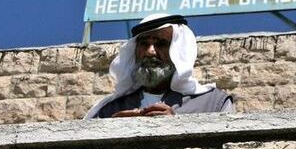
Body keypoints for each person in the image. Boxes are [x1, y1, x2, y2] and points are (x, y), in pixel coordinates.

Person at [86, 13, 233, 119]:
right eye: (144, 44)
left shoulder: (213, 104)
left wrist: (176, 128)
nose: (150, 52)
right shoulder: (109, 110)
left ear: (179, 51)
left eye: (161, 44)